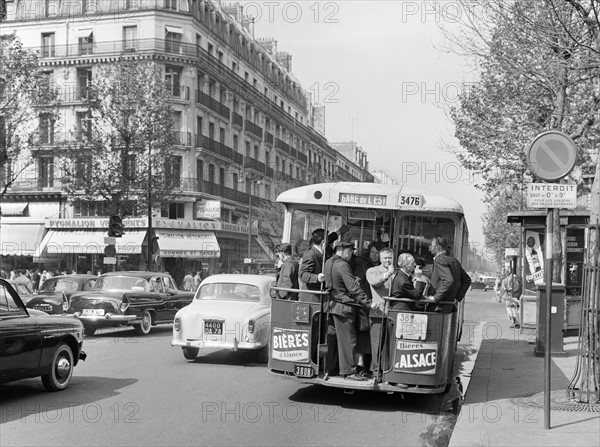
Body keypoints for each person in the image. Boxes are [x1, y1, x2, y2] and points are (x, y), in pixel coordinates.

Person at [324, 242, 371, 381]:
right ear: (345, 251)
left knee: (332, 339)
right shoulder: (344, 265)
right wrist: (368, 303)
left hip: (330, 306)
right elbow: (353, 288)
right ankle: (349, 371)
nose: (351, 255)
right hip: (344, 308)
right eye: (350, 252)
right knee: (348, 341)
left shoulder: (328, 262)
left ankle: (331, 368)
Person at [298, 226, 348, 302]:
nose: (329, 243)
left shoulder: (321, 252)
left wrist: (339, 232)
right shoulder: (311, 254)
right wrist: (317, 277)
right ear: (323, 242)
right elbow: (303, 274)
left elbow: (330, 238)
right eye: (327, 241)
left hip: (320, 294)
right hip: (312, 296)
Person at [366, 247, 395, 375]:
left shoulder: (396, 272)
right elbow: (374, 282)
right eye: (385, 258)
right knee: (376, 343)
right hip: (378, 312)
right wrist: (387, 274)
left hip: (392, 313)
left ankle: (387, 370)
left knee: (388, 343)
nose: (387, 261)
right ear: (380, 258)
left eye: (390, 258)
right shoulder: (372, 271)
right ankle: (376, 370)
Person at [427, 237, 472, 311]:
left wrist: (436, 297)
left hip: (438, 307)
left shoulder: (439, 259)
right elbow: (467, 280)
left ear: (437, 247)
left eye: (432, 245)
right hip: (449, 305)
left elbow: (448, 280)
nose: (430, 247)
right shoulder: (454, 261)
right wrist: (457, 297)